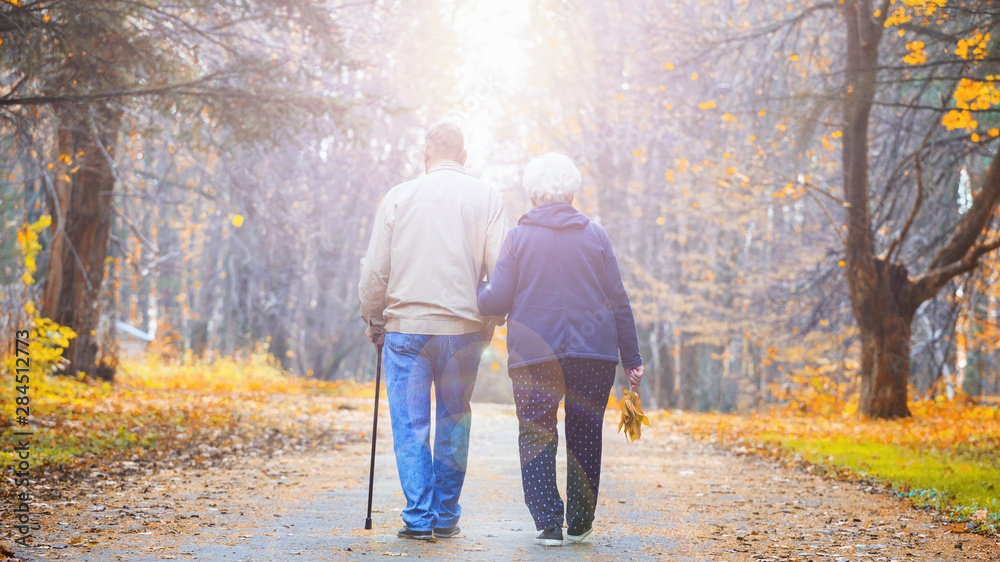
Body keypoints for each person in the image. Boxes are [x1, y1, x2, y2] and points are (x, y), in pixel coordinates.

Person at [476, 152, 644, 547]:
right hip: (593, 353)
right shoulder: (595, 235)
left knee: (537, 433)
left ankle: (548, 523)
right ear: (571, 191)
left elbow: (496, 300)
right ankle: (581, 522)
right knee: (585, 433)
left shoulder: (518, 238)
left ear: (533, 192)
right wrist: (632, 358)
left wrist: (478, 290)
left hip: (536, 355)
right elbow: (619, 301)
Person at [359, 122, 506, 541]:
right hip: (462, 331)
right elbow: (500, 270)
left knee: (411, 425)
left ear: (426, 152)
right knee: (454, 420)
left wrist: (373, 318)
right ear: (464, 155)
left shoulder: (398, 197)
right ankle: (445, 516)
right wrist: (490, 321)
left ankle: (419, 520)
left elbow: (376, 270)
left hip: (407, 331)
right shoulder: (487, 197)